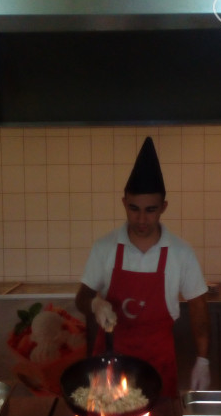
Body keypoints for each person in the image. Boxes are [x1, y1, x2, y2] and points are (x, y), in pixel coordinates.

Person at [75, 136, 210, 397]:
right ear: (124, 203)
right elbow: (81, 298)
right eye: (134, 208)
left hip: (158, 365)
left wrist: (203, 359)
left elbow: (198, 306)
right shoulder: (104, 247)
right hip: (110, 366)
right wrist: (95, 304)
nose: (141, 219)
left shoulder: (181, 252)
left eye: (150, 210)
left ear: (163, 207)